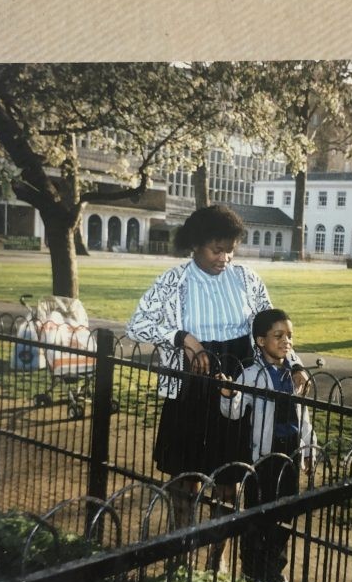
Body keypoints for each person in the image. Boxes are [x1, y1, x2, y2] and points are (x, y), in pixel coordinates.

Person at [125, 205, 305, 528]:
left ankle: (216, 560)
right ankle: (181, 547)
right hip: (192, 383)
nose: (224, 258)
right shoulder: (174, 282)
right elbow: (137, 325)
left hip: (237, 384)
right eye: (216, 250)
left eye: (230, 251)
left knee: (230, 474)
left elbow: (272, 327)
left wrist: (292, 363)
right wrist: (183, 338)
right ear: (195, 245)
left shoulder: (246, 279)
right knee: (186, 476)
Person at [218, 309, 315, 582]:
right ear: (261, 341)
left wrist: (308, 449)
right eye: (279, 336)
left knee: (285, 515)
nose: (286, 341)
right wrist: (228, 394)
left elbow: (304, 416)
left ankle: (274, 569)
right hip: (263, 456)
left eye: (290, 336)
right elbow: (234, 412)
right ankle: (252, 570)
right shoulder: (251, 375)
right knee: (258, 514)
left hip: (291, 454)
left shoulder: (296, 377)